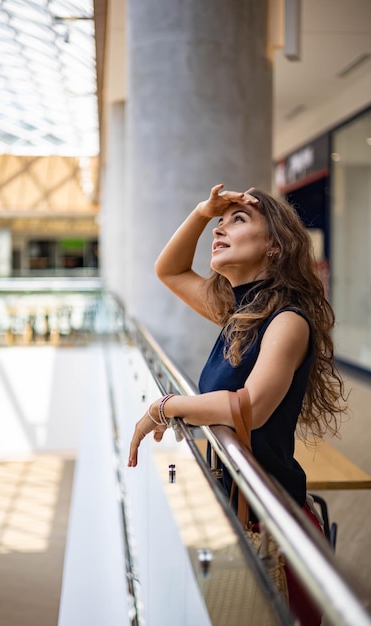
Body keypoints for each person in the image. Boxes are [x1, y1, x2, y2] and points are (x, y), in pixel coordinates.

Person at [127, 184, 347, 625]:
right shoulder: (239, 312)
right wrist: (201, 211)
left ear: (275, 246)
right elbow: (168, 270)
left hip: (275, 525)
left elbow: (251, 407)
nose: (219, 229)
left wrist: (167, 407)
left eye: (238, 220)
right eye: (220, 223)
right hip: (238, 512)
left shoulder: (287, 319)